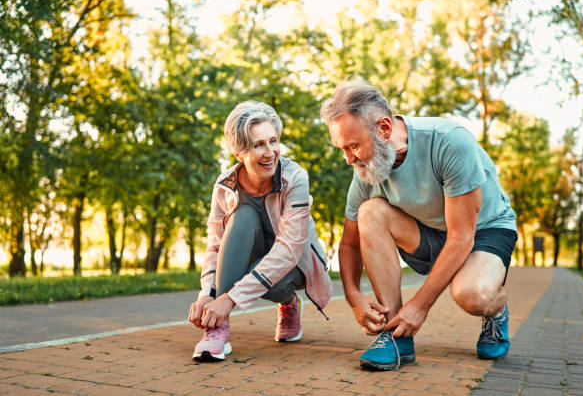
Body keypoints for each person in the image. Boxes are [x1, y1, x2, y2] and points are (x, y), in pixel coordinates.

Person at [320, 79, 517, 371]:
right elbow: (349, 242)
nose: (349, 159)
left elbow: (462, 236)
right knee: (370, 211)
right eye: (342, 148)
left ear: (384, 128)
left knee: (472, 294)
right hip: (429, 232)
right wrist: (353, 296)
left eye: (353, 146)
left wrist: (419, 306)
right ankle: (396, 336)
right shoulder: (365, 170)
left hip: (483, 230)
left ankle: (496, 310)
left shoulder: (449, 141)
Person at [188, 101, 332, 362]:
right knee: (242, 215)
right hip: (246, 261)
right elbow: (216, 246)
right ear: (239, 153)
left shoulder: (295, 178)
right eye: (258, 145)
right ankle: (218, 329)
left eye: (273, 141)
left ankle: (288, 302)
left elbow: (289, 250)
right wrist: (207, 295)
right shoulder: (224, 186)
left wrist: (228, 299)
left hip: (295, 264)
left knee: (273, 278)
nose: (270, 152)